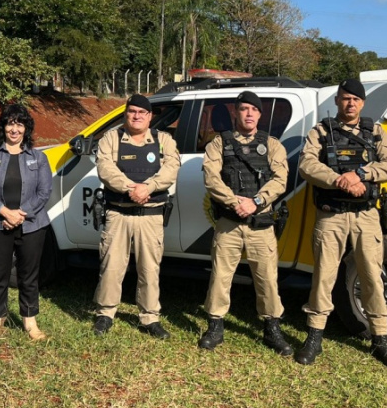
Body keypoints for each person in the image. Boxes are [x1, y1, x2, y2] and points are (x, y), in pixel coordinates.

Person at [296, 78, 387, 369]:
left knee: (371, 276)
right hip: (330, 216)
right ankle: (315, 336)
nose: (350, 103)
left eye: (355, 99)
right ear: (337, 101)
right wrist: (339, 181)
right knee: (323, 278)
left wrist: (361, 174)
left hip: (366, 216)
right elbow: (307, 165)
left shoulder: (376, 132)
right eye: (345, 98)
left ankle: (380, 339)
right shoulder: (320, 131)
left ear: (363, 103)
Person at [198, 91, 292, 356]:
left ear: (260, 115)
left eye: (254, 109)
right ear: (235, 113)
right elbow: (211, 178)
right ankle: (215, 326)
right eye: (243, 109)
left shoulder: (273, 145)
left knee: (267, 279)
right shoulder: (219, 144)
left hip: (260, 223)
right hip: (229, 221)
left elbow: (280, 179)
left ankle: (272, 328)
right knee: (220, 276)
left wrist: (256, 201)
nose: (249, 113)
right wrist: (233, 201)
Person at [92, 94, 180, 339]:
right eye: (132, 111)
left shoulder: (164, 140)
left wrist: (148, 187)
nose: (137, 116)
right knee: (111, 266)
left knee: (149, 269)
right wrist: (132, 188)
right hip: (118, 213)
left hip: (150, 215)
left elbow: (171, 168)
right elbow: (105, 168)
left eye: (142, 112)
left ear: (150, 116)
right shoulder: (112, 138)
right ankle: (105, 313)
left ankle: (149, 317)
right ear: (126, 114)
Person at [0, 104, 53, 341]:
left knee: (28, 274)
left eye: (20, 124)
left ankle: (30, 321)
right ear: (3, 127)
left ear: (26, 128)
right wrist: (4, 212)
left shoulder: (38, 158)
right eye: (10, 123)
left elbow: (44, 191)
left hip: (32, 225)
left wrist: (20, 213)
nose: (15, 129)